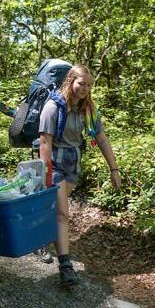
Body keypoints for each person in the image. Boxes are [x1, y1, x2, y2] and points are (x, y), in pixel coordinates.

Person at [39, 64, 121, 286]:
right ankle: (66, 266)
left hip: (73, 162)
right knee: (63, 214)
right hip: (54, 162)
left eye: (89, 85)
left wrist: (114, 169)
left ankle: (42, 239)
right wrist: (46, 175)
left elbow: (101, 138)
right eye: (81, 83)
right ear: (70, 81)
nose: (85, 88)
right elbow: (45, 142)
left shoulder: (88, 109)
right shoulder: (53, 107)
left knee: (56, 211)